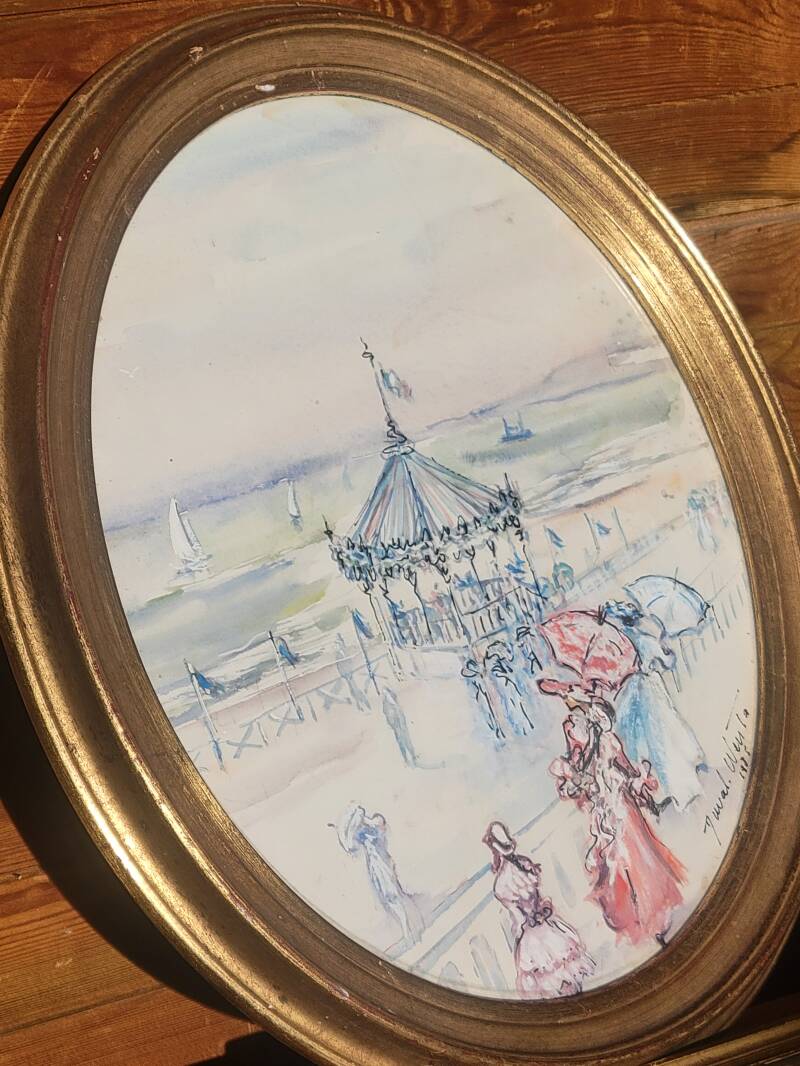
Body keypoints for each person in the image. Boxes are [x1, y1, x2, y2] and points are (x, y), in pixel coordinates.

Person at [544, 683, 685, 946]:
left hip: (619, 809)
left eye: (580, 714)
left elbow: (625, 771)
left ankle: (652, 913)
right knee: (617, 864)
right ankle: (637, 915)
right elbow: (585, 779)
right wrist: (572, 778)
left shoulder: (606, 742)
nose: (574, 721)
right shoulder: (586, 747)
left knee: (633, 857)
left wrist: (639, 783)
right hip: (604, 814)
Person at [602, 600, 705, 810]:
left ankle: (650, 788)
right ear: (635, 621)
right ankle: (670, 784)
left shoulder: (619, 644)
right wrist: (665, 648)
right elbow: (668, 663)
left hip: (631, 691)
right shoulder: (646, 641)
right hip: (649, 689)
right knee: (660, 734)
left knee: (638, 738)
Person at [483, 821, 595, 999]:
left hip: (532, 933)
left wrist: (522, 933)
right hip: (546, 923)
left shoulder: (501, 886)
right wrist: (543, 911)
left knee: (553, 979)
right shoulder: (524, 863)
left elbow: (520, 920)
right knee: (565, 970)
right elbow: (539, 899)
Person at [336, 804, 423, 944]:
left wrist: (360, 818)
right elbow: (351, 845)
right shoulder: (363, 831)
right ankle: (408, 929)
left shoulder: (375, 826)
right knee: (389, 898)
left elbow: (373, 827)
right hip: (375, 867)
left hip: (383, 865)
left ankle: (409, 929)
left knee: (393, 896)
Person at [381, 687, 417, 766]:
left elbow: (399, 713)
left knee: (406, 741)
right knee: (402, 742)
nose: (386, 695)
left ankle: (413, 756)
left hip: (401, 724)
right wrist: (392, 724)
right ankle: (407, 759)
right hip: (396, 726)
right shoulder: (386, 705)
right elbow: (388, 716)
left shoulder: (393, 701)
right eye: (384, 694)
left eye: (386, 693)